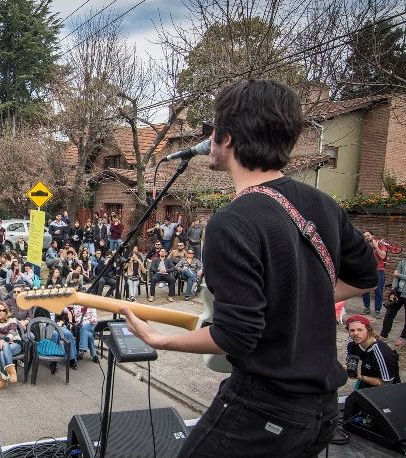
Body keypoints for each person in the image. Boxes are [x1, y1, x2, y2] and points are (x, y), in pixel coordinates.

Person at [119, 79, 378, 456]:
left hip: (265, 407)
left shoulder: (232, 221)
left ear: (227, 139)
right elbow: (365, 276)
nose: (208, 138)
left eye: (213, 129)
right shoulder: (323, 204)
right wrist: (295, 297)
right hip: (322, 410)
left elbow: (235, 337)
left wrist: (160, 340)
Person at [345, 314, 399, 389]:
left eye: (360, 329)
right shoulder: (351, 342)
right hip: (366, 378)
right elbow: (350, 357)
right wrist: (349, 366)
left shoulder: (382, 353)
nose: (355, 333)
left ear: (369, 330)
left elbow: (386, 383)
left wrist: (359, 377)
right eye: (352, 330)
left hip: (384, 389)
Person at [0, 301, 22, 390]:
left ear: (6, 311)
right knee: (2, 352)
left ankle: (3, 380)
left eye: (3, 310)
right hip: (2, 347)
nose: (1, 312)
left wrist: (3, 340)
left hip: (15, 344)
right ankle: (12, 372)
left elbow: (12, 333)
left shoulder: (12, 319)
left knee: (4, 347)